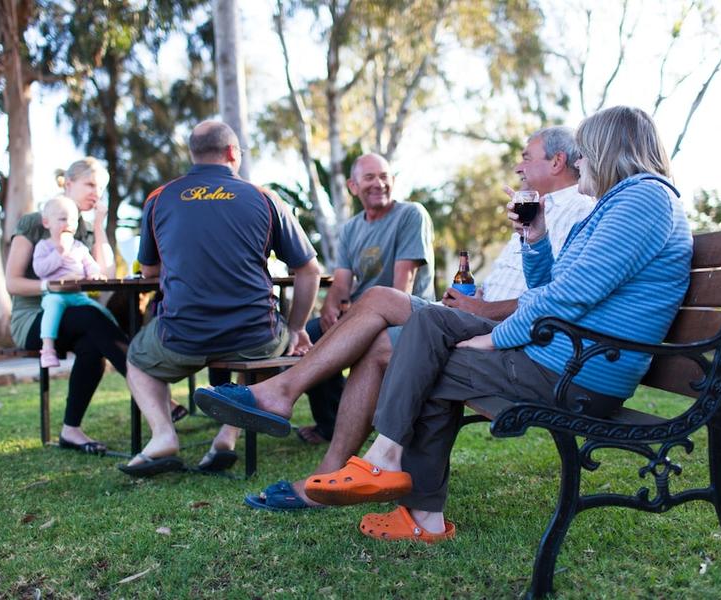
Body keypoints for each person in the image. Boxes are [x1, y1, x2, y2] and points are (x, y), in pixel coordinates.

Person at [295, 105, 693, 542]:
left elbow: (572, 296)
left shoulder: (643, 199)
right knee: (430, 323)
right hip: (564, 352)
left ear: (605, 151)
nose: (579, 163)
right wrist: (536, 238)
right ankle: (390, 461)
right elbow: (556, 285)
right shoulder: (621, 204)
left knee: (427, 360)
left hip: (577, 372)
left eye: (584, 153)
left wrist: (497, 338)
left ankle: (413, 501)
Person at [195, 126, 594, 509]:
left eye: (526, 157)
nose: (519, 167)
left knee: (383, 298)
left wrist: (480, 308)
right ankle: (331, 470)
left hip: (508, 334)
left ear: (557, 161)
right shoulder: (540, 208)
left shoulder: (576, 209)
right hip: (477, 316)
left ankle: (282, 395)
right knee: (379, 343)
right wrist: (473, 297)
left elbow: (552, 297)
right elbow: (525, 280)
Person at [119, 120, 321, 477]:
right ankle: (226, 436)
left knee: (137, 358)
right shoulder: (265, 198)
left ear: (193, 154)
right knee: (270, 346)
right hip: (254, 338)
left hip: (183, 336)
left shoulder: (160, 197)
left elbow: (149, 273)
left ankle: (164, 434)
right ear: (232, 153)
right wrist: (297, 328)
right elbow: (309, 270)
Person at [296, 152, 435, 446]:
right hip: (361, 311)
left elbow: (403, 286)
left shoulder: (411, 214)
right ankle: (330, 423)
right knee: (312, 333)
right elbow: (342, 281)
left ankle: (366, 419)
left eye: (384, 176)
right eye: (369, 177)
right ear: (353, 186)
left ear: (393, 181)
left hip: (404, 312)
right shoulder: (350, 229)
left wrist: (357, 320)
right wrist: (330, 307)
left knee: (375, 336)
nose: (379, 183)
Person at [5, 157, 129, 455]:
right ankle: (155, 392)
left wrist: (99, 227)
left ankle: (70, 430)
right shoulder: (36, 222)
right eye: (89, 184)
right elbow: (12, 282)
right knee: (90, 316)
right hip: (34, 319)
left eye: (101, 188)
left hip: (74, 313)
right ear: (68, 184)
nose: (95, 193)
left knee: (92, 342)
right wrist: (51, 286)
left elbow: (106, 278)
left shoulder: (85, 229)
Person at [32, 195, 116, 368]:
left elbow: (90, 265)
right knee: (52, 310)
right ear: (47, 223)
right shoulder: (44, 246)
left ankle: (118, 338)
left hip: (78, 295)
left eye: (73, 220)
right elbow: (40, 270)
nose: (68, 223)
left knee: (101, 312)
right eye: (62, 219)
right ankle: (47, 349)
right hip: (55, 294)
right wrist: (59, 252)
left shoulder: (78, 246)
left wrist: (94, 274)